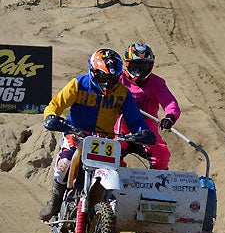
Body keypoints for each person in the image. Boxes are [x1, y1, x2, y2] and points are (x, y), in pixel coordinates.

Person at [38, 49, 155, 222]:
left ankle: (110, 209)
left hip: (104, 139)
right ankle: (55, 202)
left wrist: (143, 133)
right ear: (93, 72)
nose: (108, 83)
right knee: (65, 162)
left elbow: (135, 119)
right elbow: (55, 104)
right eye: (103, 77)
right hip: (76, 132)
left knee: (118, 169)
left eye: (113, 79)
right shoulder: (78, 84)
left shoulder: (122, 93)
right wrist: (51, 117)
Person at [117, 42, 182, 233]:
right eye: (136, 65)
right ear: (127, 63)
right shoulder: (116, 79)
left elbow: (170, 103)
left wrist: (169, 117)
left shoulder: (156, 83)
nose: (140, 70)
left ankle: (156, 194)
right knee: (109, 153)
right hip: (120, 127)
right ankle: (114, 190)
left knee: (162, 154)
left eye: (145, 66)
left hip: (147, 130)